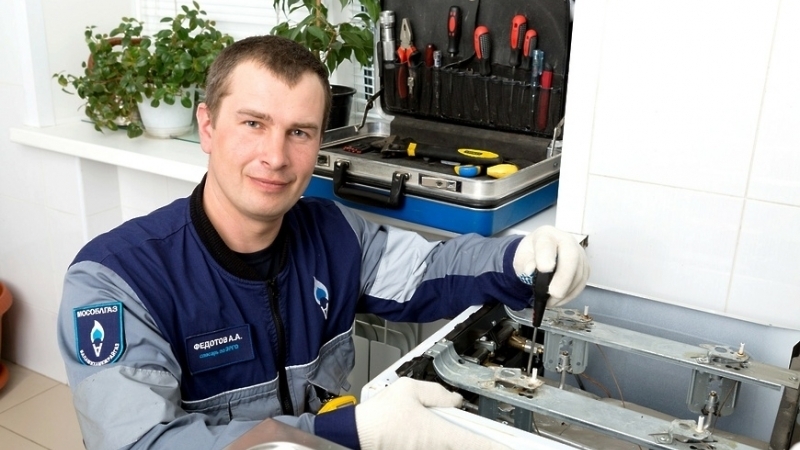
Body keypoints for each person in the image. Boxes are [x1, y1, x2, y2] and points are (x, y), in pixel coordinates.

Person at [57, 35, 589, 450]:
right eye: (253, 123)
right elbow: (141, 443)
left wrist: (521, 260)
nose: (275, 157)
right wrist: (353, 431)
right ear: (208, 127)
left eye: (299, 132)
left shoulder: (334, 233)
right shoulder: (115, 281)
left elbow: (432, 269)